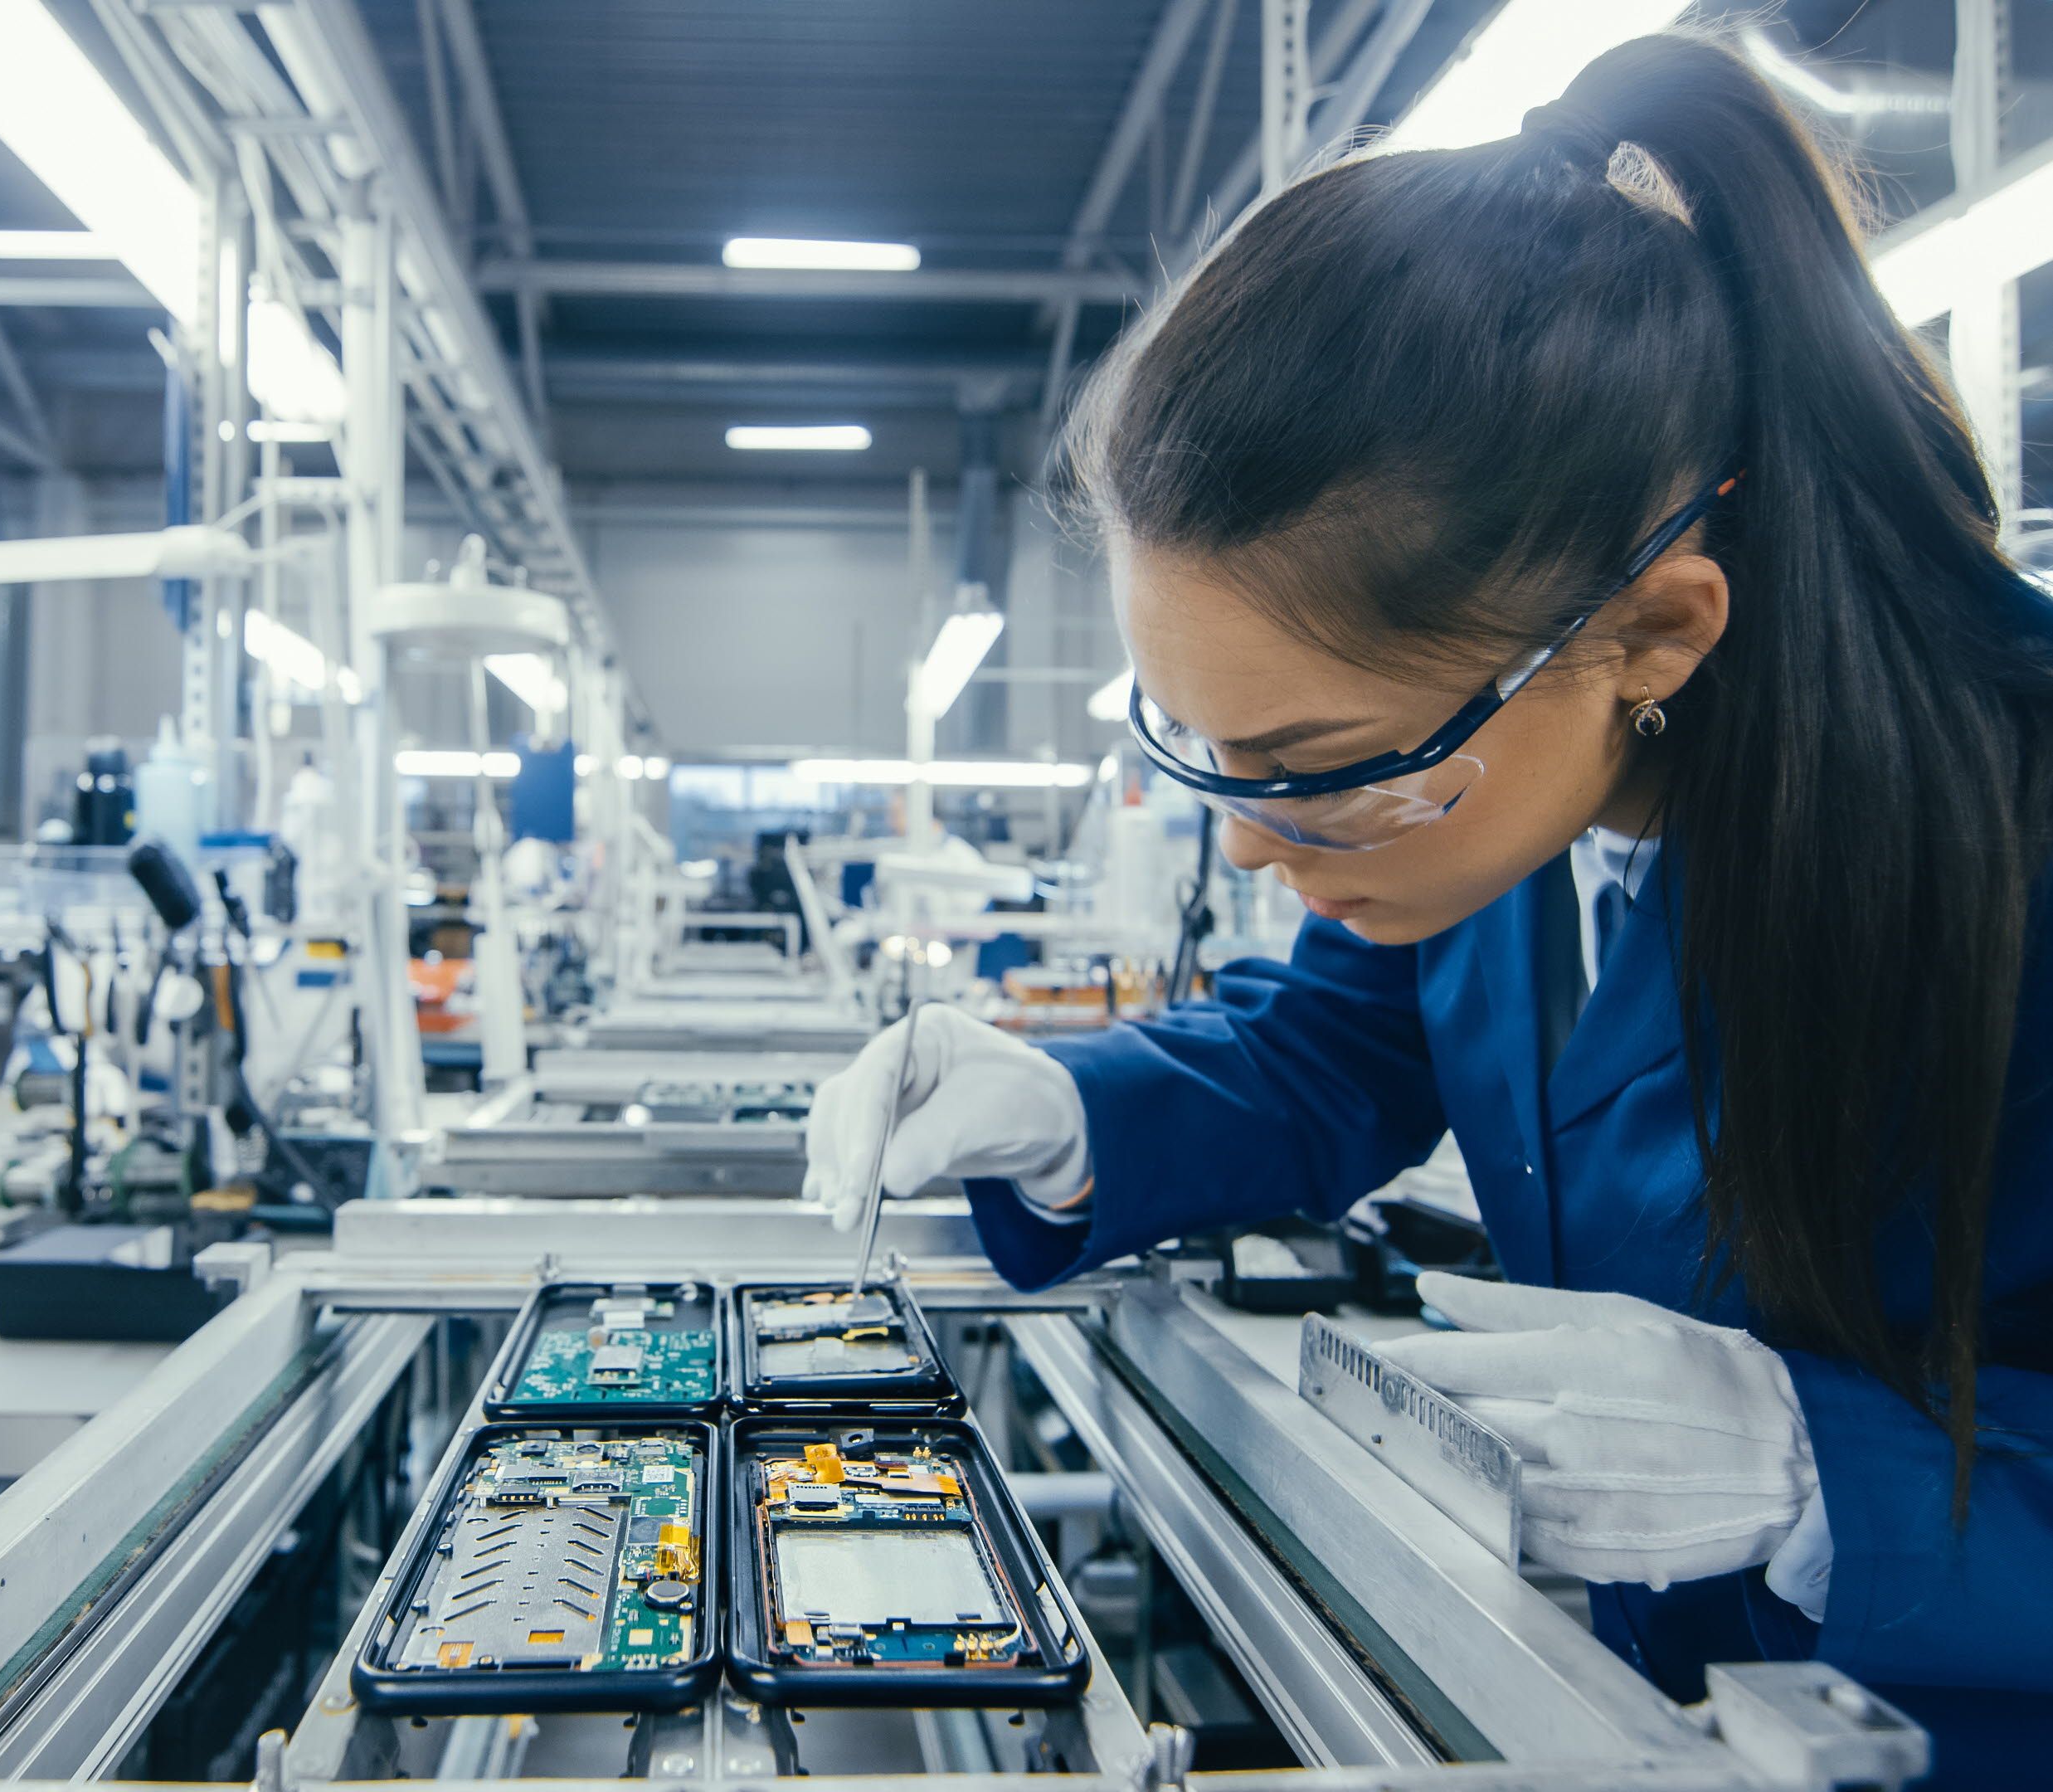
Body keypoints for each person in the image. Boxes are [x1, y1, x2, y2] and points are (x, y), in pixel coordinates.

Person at [804, 32, 2050, 1785]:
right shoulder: (1493, 791)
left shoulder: (2015, 825)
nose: (1248, 847)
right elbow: (1333, 1047)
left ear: (1656, 635)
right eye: (1209, 750)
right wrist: (1065, 1113)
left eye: (1310, 763)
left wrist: (1826, 1474)